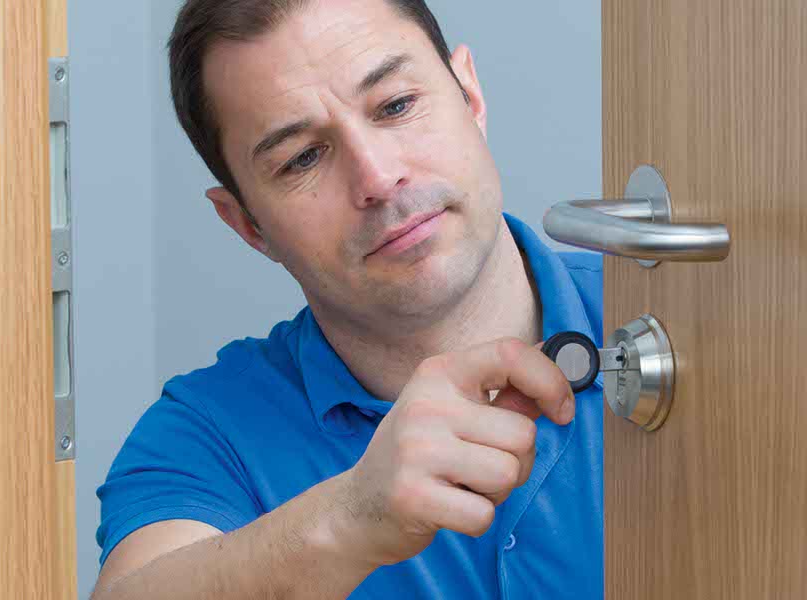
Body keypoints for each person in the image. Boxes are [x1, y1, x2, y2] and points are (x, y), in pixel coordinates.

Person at [92, 0, 602, 598]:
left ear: (471, 97)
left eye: (396, 105)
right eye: (302, 158)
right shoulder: (204, 436)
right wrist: (350, 519)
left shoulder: (698, 323)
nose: (378, 178)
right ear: (248, 226)